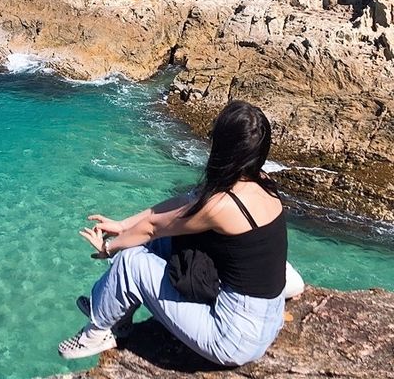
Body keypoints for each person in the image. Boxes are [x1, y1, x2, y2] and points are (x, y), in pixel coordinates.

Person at [59, 100, 296, 366]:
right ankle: (108, 305)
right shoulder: (260, 182)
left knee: (130, 263)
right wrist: (124, 225)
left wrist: (108, 249)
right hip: (263, 318)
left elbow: (153, 228)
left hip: (233, 338)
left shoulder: (222, 205)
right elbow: (185, 203)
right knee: (169, 243)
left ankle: (97, 333)